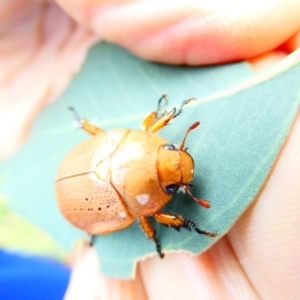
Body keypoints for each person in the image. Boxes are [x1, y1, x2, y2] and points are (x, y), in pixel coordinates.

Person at [1, 0, 299, 299]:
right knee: (145, 222)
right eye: (172, 184)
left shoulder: (140, 140)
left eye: (170, 149)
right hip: (78, 206)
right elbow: (149, 205)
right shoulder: (139, 173)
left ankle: (84, 127)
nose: (177, 161)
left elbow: (148, 128)